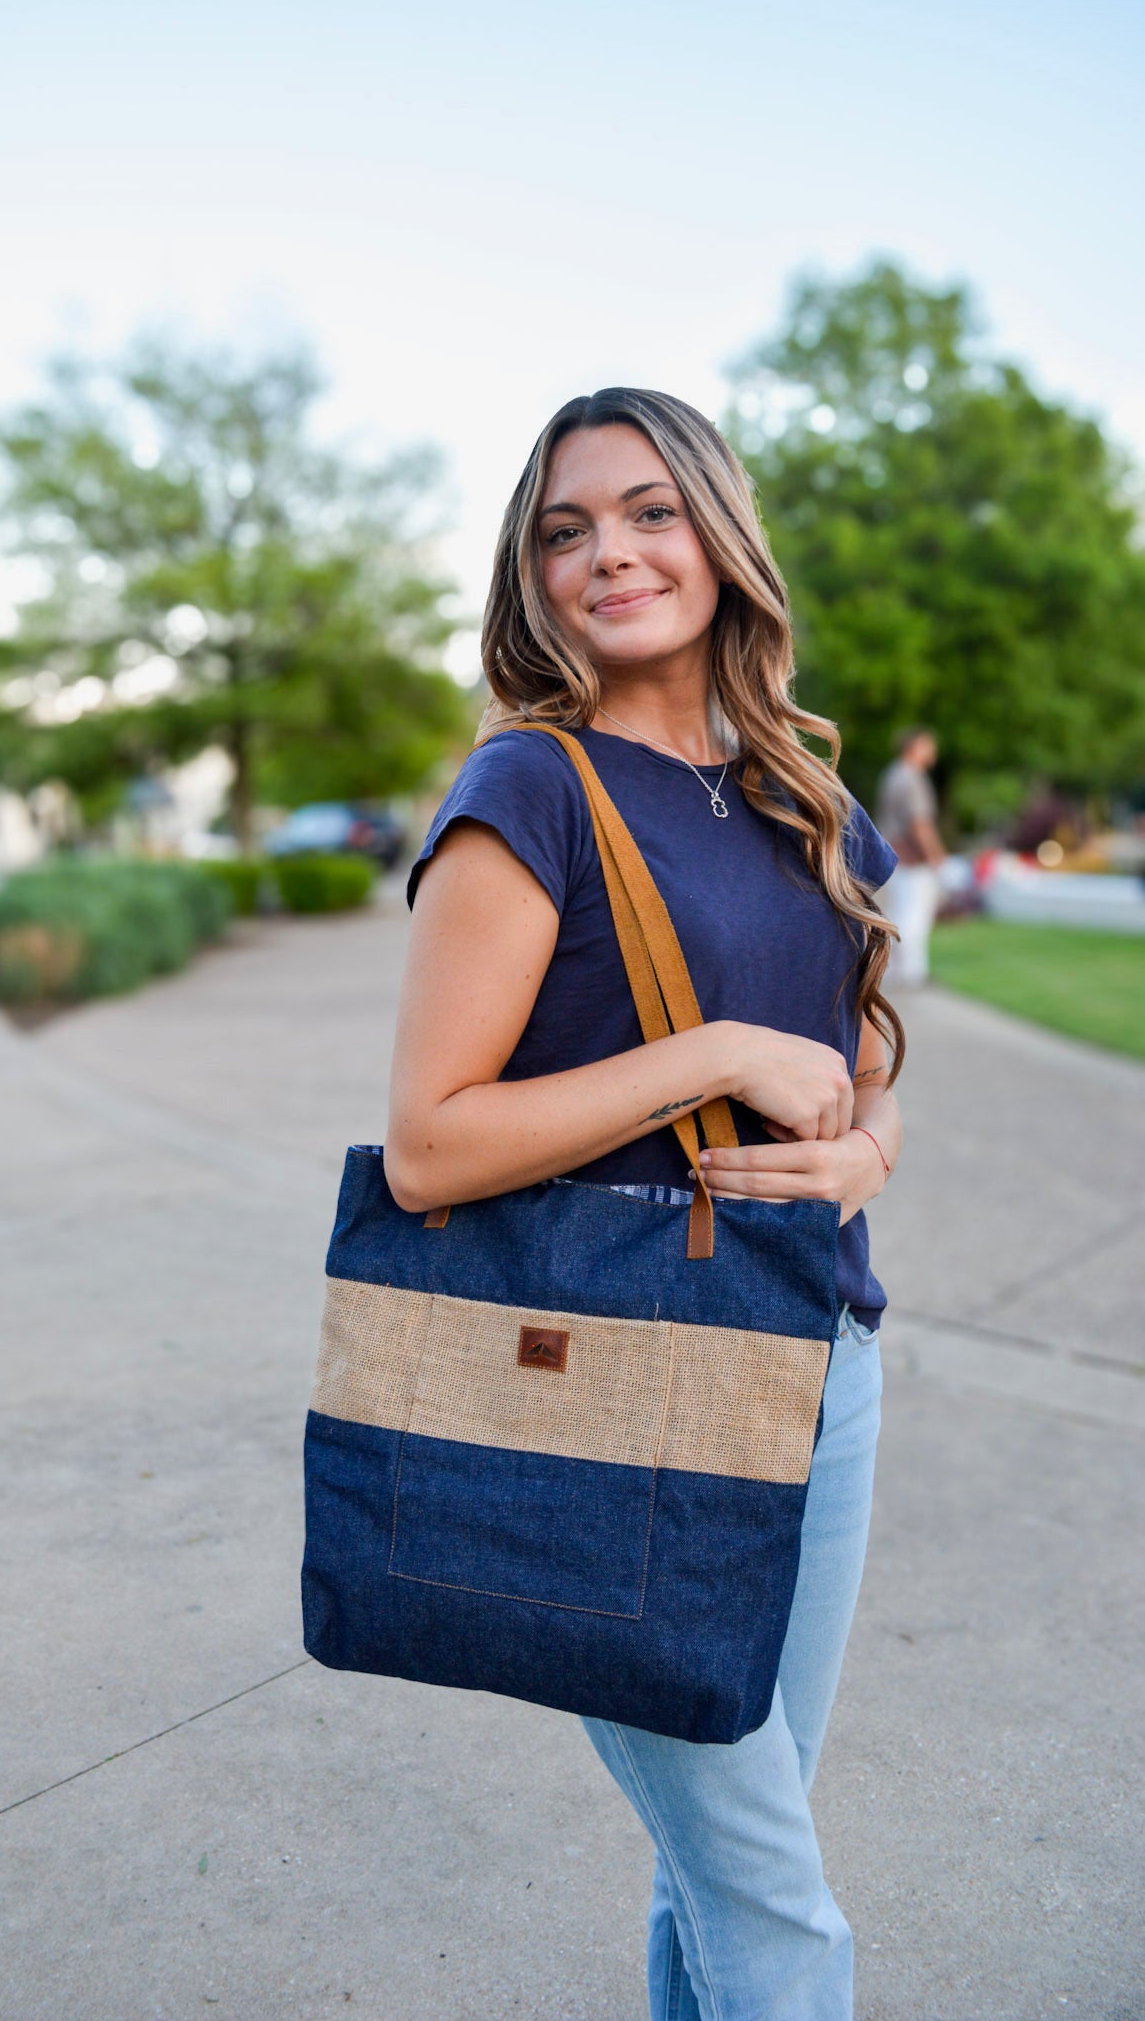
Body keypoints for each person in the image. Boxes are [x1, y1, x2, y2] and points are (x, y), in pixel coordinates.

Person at [385, 387, 905, 2021]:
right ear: (530, 574)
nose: (609, 550)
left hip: (822, 1362)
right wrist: (713, 1053)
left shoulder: (801, 796)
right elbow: (428, 1146)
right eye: (567, 528)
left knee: (736, 1857)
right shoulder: (528, 790)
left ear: (719, 533)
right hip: (614, 1394)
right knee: (778, 1904)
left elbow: (863, 1066)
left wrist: (869, 1152)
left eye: (649, 510)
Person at [875, 727, 946, 987]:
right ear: (915, 747)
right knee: (913, 916)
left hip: (893, 855)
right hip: (910, 858)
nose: (933, 751)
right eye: (928, 745)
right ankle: (911, 973)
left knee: (898, 912)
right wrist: (936, 856)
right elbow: (919, 824)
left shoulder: (893, 774)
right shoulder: (912, 778)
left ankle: (894, 970)